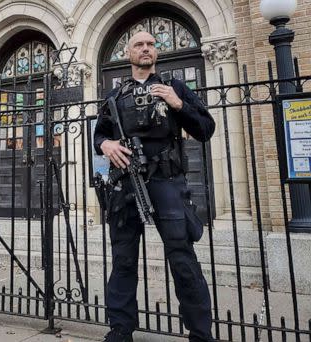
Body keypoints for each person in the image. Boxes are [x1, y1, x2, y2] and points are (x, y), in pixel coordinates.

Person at [94, 31, 215, 342]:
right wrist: (106, 144)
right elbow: (99, 136)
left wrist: (178, 105)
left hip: (167, 182)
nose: (145, 49)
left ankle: (201, 333)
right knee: (123, 259)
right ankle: (120, 330)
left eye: (150, 44)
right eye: (138, 44)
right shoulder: (115, 96)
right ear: (128, 52)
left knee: (182, 257)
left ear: (156, 51)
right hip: (126, 183)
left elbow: (205, 129)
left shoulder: (174, 87)